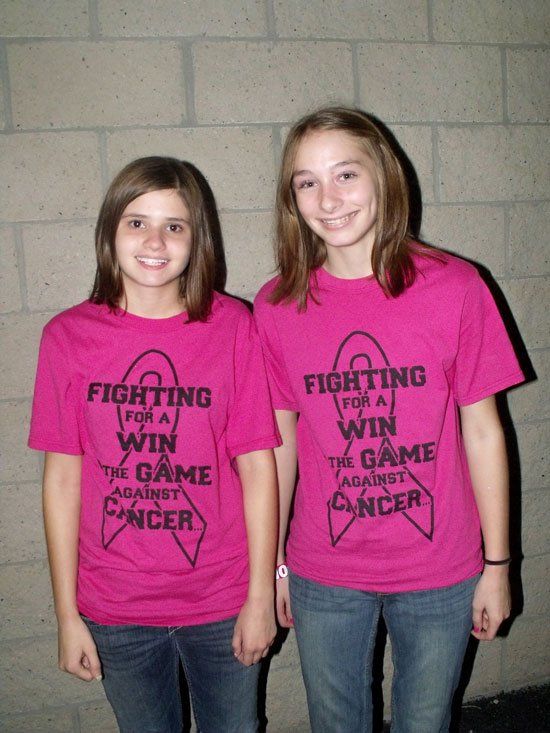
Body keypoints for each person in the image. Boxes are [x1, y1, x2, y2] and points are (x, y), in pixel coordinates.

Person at [254, 107, 524, 732]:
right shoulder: (277, 305)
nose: (328, 199)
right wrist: (274, 564)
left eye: (346, 174)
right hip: (323, 572)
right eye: (306, 182)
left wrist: (498, 565)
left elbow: (485, 431)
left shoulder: (457, 287)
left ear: (383, 175)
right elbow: (280, 442)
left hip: (440, 570)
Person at [29, 156, 279, 733]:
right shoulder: (67, 338)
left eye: (175, 225)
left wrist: (260, 596)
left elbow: (257, 467)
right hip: (116, 608)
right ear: (110, 232)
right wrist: (67, 614)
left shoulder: (233, 326)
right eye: (137, 222)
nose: (155, 242)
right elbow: (62, 481)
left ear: (197, 239)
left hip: (222, 599)